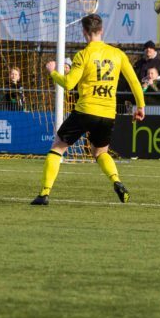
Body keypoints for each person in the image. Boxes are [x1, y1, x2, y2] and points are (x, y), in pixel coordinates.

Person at [31, 14, 145, 206]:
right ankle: (116, 181)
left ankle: (44, 193)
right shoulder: (118, 54)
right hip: (108, 113)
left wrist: (53, 72)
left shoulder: (83, 55)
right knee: (100, 152)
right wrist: (140, 106)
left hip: (85, 110)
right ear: (101, 30)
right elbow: (134, 81)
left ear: (84, 32)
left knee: (58, 146)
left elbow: (68, 84)